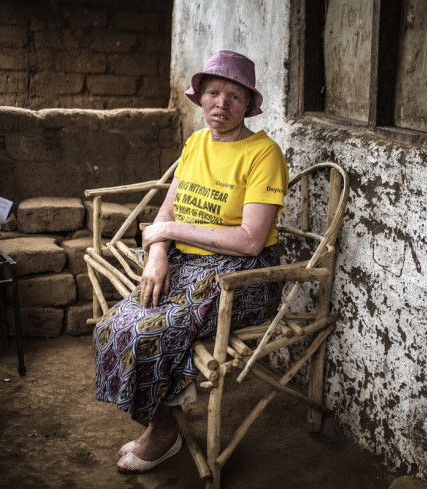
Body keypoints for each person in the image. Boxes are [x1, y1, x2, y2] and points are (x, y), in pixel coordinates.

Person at [93, 50, 289, 474]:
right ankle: (162, 421)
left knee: (154, 330)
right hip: (187, 264)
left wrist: (168, 234)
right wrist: (157, 254)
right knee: (116, 323)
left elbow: (251, 240)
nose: (222, 103)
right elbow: (167, 212)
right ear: (199, 97)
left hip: (245, 276)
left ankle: (162, 434)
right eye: (214, 92)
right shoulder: (197, 142)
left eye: (234, 97)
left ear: (248, 104)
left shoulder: (264, 153)